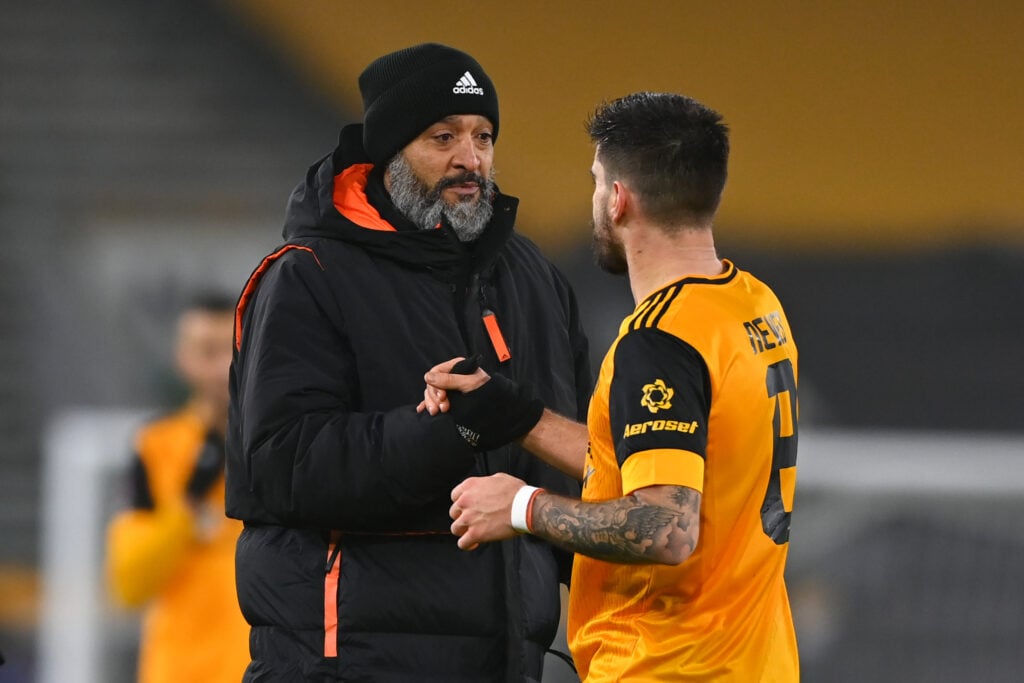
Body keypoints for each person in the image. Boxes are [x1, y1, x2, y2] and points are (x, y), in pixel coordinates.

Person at [225, 43, 591, 681]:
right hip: (347, 663)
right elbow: (282, 465)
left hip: (507, 661)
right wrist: (454, 432)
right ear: (389, 152)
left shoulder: (535, 278)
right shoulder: (308, 276)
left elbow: (575, 459)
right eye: (442, 137)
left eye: (483, 137)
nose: (469, 159)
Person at [423, 92, 800, 681]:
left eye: (597, 181)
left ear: (620, 199)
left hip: (668, 666)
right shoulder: (752, 304)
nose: (596, 198)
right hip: (755, 663)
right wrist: (518, 418)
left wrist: (522, 506)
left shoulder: (661, 340)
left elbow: (666, 528)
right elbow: (662, 466)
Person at [105, 293, 249, 683]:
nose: (222, 367)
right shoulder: (157, 448)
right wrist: (187, 502)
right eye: (207, 351)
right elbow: (130, 582)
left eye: (233, 349)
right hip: (182, 671)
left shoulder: (287, 445)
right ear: (182, 358)